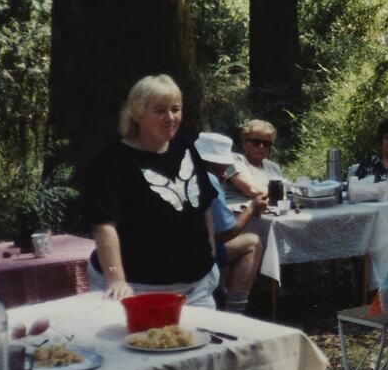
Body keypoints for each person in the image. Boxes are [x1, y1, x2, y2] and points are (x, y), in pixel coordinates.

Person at [78, 74, 220, 306]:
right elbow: (103, 225)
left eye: (176, 109)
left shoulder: (185, 148)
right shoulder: (110, 162)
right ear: (136, 114)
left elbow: (203, 205)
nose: (170, 118)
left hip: (197, 289)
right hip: (137, 289)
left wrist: (210, 252)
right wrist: (116, 280)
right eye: (160, 110)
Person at [195, 132, 266, 313]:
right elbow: (227, 233)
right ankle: (235, 311)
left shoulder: (187, 171)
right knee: (252, 242)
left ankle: (223, 293)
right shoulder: (209, 179)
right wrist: (252, 208)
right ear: (219, 162)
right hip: (200, 254)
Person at [230, 118, 282, 200]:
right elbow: (251, 190)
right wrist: (280, 193)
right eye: (256, 142)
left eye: (266, 143)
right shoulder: (229, 161)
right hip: (237, 210)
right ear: (244, 143)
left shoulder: (274, 168)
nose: (261, 146)